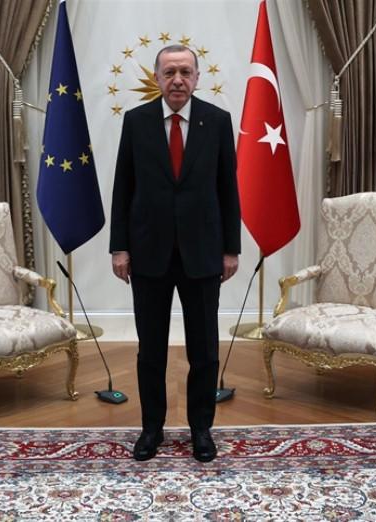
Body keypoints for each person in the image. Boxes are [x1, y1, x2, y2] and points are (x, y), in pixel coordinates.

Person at [109, 45, 240, 462]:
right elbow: (122, 188)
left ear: (197, 77)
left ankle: (201, 429)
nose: (178, 79)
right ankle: (152, 429)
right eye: (170, 72)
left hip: (203, 254)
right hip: (149, 254)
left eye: (185, 71)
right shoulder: (136, 122)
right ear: (158, 78)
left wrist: (231, 249)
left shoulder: (217, 122)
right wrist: (120, 247)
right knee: (151, 350)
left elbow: (228, 191)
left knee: (204, 350)